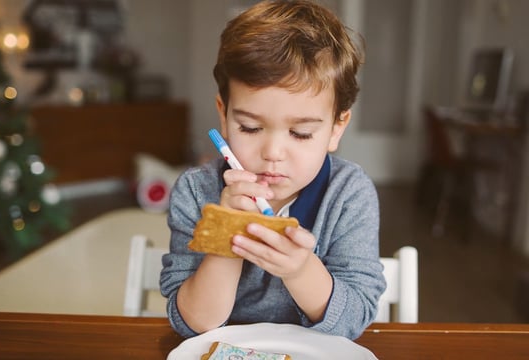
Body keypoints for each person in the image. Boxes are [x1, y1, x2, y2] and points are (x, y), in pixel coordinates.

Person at [160, 0, 385, 340]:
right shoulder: (195, 191)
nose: (273, 154)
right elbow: (192, 324)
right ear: (224, 113)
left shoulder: (349, 194)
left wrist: (301, 270)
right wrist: (227, 237)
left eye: (301, 133)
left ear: (336, 129)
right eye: (250, 127)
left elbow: (353, 322)